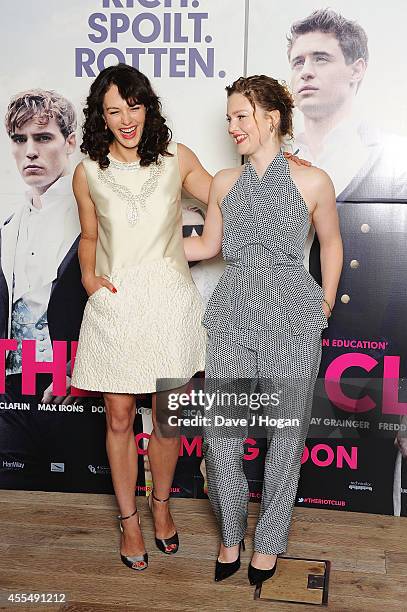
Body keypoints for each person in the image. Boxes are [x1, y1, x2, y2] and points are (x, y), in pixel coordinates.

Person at [184, 75, 343, 585]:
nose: (231, 127)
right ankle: (231, 538)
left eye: (240, 117)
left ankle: (269, 546)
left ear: (271, 118)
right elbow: (208, 247)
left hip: (292, 318)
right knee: (220, 434)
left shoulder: (313, 180)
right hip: (232, 316)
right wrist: (141, 249)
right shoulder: (226, 183)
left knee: (286, 437)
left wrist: (322, 301)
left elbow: (331, 244)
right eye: (229, 118)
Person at [70, 63, 213, 571]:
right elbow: (89, 236)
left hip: (171, 305)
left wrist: (276, 164)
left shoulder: (177, 158)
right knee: (120, 416)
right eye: (113, 110)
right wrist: (89, 278)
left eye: (133, 106)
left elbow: (225, 192)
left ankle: (162, 508)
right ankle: (129, 522)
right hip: (118, 306)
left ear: (147, 106)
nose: (126, 119)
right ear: (100, 117)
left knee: (169, 419)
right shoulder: (87, 171)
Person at [0, 89, 88, 485]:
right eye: (20, 140)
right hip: (11, 384)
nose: (30, 151)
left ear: (70, 142)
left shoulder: (94, 214)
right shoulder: (7, 226)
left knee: (80, 508)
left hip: (71, 383)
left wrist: (83, 368)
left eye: (43, 137)